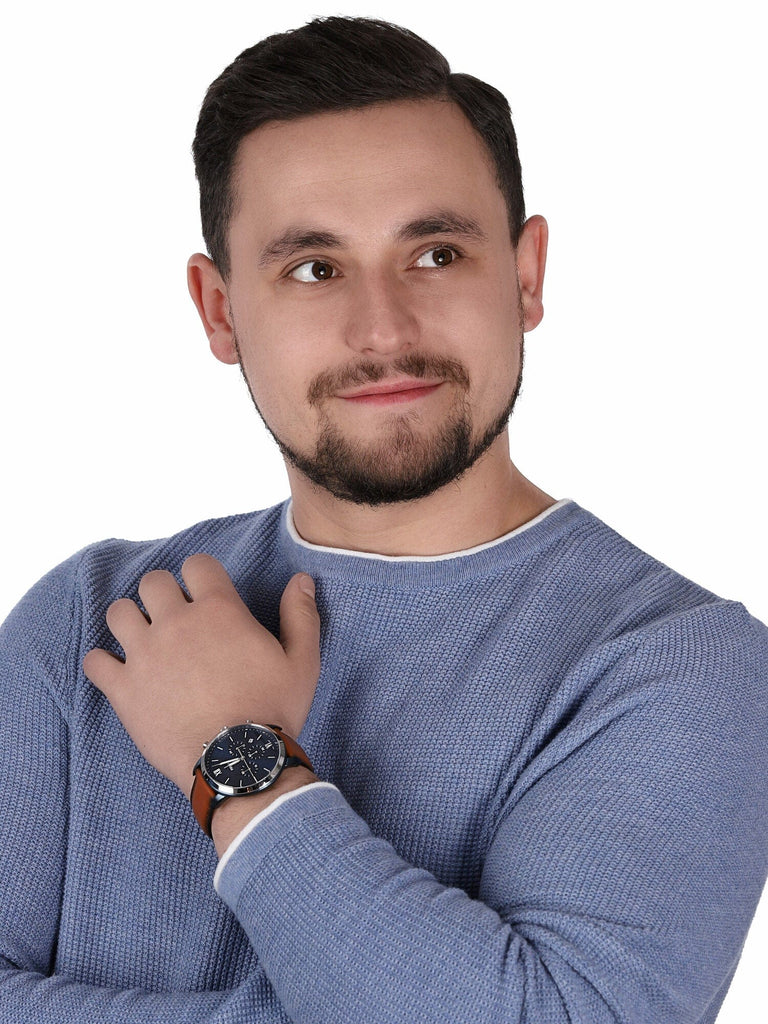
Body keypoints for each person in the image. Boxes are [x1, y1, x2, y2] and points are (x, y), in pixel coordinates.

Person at [0, 14, 765, 1024]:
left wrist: (239, 758)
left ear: (526, 275)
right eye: (314, 269)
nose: (383, 329)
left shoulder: (679, 664)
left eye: (436, 254)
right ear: (219, 310)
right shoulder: (93, 622)